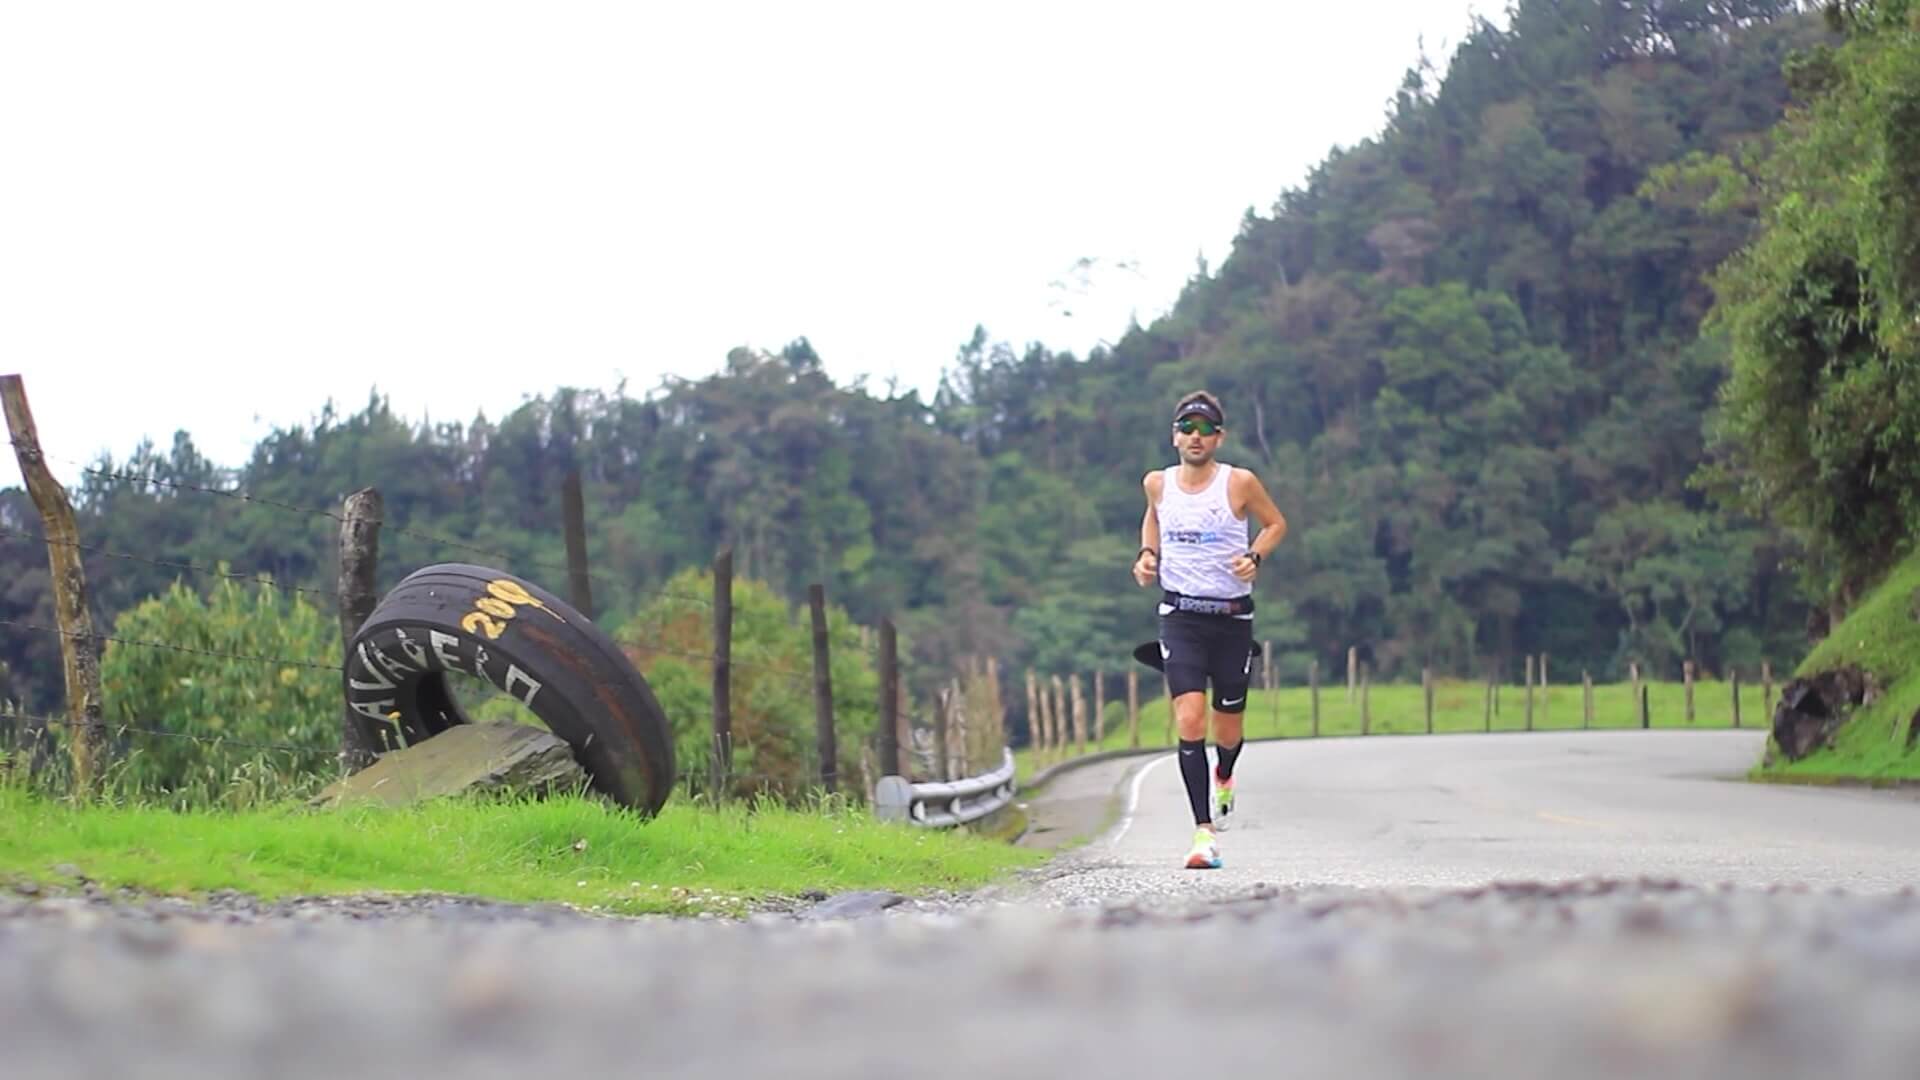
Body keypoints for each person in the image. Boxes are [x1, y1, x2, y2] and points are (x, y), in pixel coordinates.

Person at [1131, 391, 1288, 869]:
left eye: (1205, 429)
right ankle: (1203, 835)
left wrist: (1255, 556)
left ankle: (1225, 772)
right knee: (1190, 720)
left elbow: (1276, 523)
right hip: (1180, 618)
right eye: (1187, 427)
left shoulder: (1239, 482)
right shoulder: (1157, 483)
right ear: (1174, 435)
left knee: (1228, 724)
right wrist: (1146, 556)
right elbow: (1153, 519)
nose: (1195, 436)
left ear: (1219, 437)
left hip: (1231, 618)